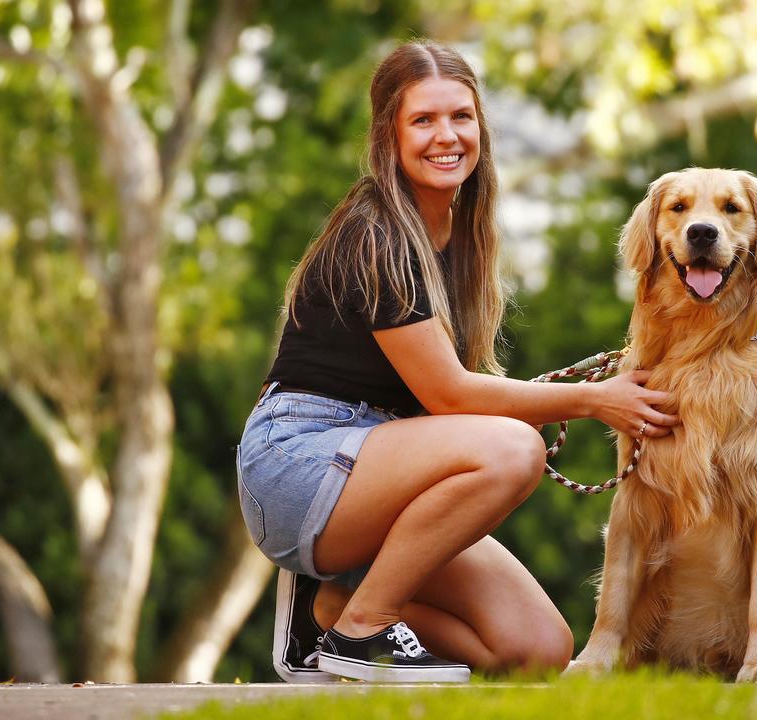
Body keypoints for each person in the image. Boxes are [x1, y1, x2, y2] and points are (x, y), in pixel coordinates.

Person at [236, 40, 679, 684]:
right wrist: (594, 398)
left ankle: (330, 611)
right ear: (388, 135)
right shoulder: (377, 235)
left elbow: (454, 394)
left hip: (382, 463)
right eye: (423, 120)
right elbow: (450, 397)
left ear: (480, 128)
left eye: (461, 117)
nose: (446, 136)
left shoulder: (457, 234)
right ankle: (362, 631)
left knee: (536, 651)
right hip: (298, 461)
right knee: (512, 449)